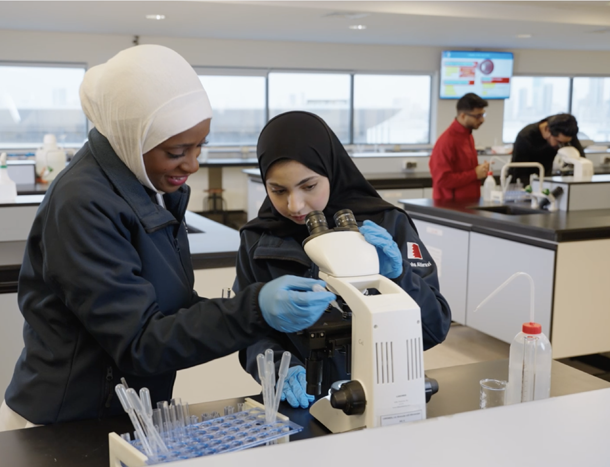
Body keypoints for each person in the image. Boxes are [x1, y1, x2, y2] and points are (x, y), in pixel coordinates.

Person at [0, 45, 336, 430]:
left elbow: (173, 306)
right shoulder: (82, 203)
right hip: (64, 425)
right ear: (132, 137)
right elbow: (140, 342)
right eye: (177, 151)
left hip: (127, 414)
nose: (192, 164)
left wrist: (260, 317)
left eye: (199, 146)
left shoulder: (149, 187)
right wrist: (255, 309)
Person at [233, 111, 452, 408]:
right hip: (300, 399)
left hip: (382, 393)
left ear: (331, 170)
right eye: (278, 190)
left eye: (309, 186)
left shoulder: (387, 224)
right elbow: (248, 328)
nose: (295, 205)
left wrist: (397, 279)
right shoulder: (257, 239)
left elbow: (434, 327)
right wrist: (277, 369)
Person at [429, 93, 490, 201]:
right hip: (451, 208)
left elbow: (463, 169)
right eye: (477, 116)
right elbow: (442, 179)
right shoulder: (447, 141)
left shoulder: (468, 136)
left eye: (483, 115)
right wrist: (474, 174)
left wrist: (480, 170)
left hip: (468, 204)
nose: (482, 120)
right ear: (463, 116)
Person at [509, 113, 585, 184]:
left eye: (565, 143)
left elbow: (582, 158)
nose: (561, 145)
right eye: (558, 141)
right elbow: (518, 171)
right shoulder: (525, 136)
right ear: (547, 130)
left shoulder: (566, 131)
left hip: (545, 179)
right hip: (520, 182)